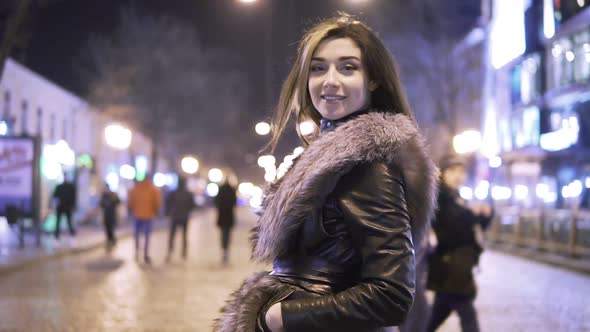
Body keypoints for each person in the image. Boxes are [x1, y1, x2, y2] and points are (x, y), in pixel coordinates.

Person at [214, 14, 438, 332]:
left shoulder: (367, 166)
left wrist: (282, 316)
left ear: (372, 79)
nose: (330, 80)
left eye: (348, 67)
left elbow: (392, 295)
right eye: (318, 68)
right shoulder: (328, 161)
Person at [426, 155, 493, 332]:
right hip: (451, 265)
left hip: (456, 266)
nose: (458, 175)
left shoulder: (457, 197)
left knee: (437, 314)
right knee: (467, 314)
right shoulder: (440, 197)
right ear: (443, 173)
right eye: (453, 171)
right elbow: (452, 230)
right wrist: (472, 214)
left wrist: (485, 213)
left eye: (462, 171)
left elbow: (474, 227)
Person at [128, 176, 162, 264]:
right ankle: (146, 254)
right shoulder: (153, 189)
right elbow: (157, 202)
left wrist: (131, 210)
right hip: (148, 215)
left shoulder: (136, 189)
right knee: (147, 235)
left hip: (137, 214)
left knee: (137, 234)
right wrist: (155, 211)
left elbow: (131, 201)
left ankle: (136, 251)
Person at [166, 176, 196, 260]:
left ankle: (170, 251)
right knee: (184, 235)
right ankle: (184, 252)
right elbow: (192, 205)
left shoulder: (173, 193)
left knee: (172, 235)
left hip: (175, 216)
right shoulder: (188, 194)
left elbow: (168, 203)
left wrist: (169, 212)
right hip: (184, 216)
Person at [214, 179, 237, 265]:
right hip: (229, 216)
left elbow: (216, 202)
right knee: (228, 234)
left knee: (223, 234)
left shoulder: (221, 189)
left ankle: (223, 250)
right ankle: (226, 251)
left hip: (222, 216)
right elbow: (234, 202)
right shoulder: (232, 190)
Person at [99, 183, 120, 249]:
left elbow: (118, 202)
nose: (105, 189)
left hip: (112, 215)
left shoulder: (113, 195)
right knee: (107, 229)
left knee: (111, 229)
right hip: (106, 215)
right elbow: (101, 204)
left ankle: (113, 240)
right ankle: (109, 240)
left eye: (106, 188)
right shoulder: (104, 195)